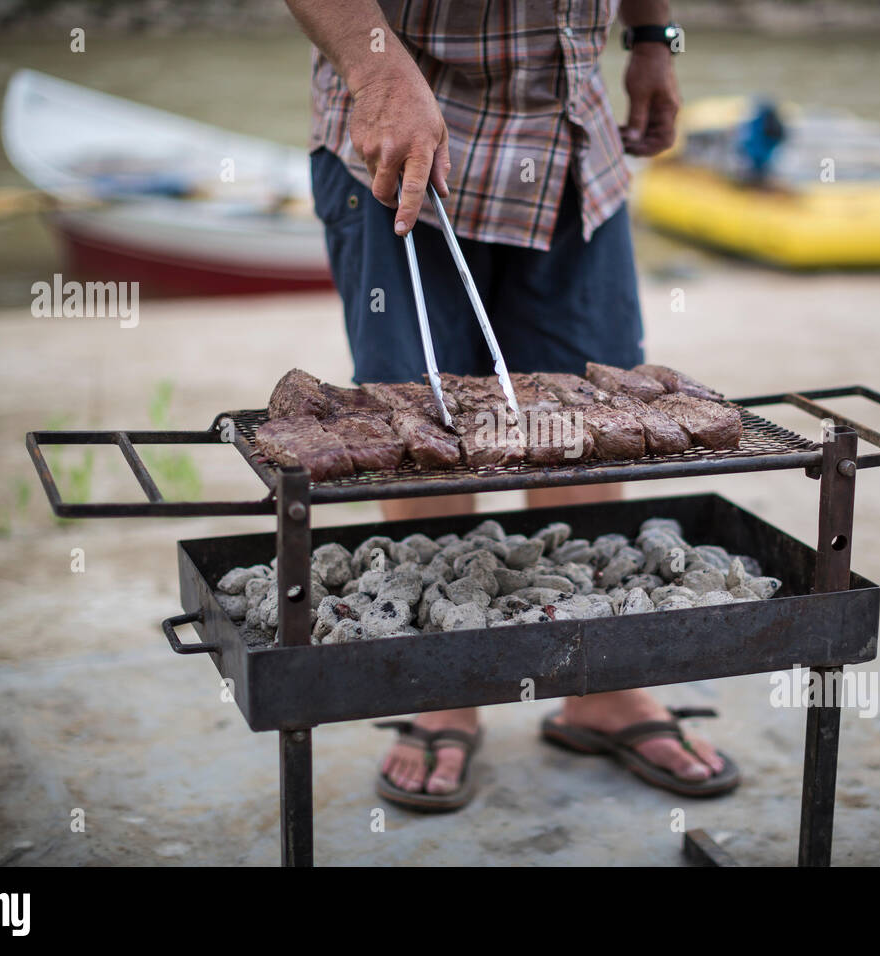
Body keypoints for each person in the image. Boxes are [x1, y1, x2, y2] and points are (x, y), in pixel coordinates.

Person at [284, 0, 739, 810]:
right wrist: (377, 67)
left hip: (570, 141)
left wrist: (648, 36)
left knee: (590, 417)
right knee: (420, 421)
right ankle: (447, 683)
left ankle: (596, 679)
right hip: (410, 131)